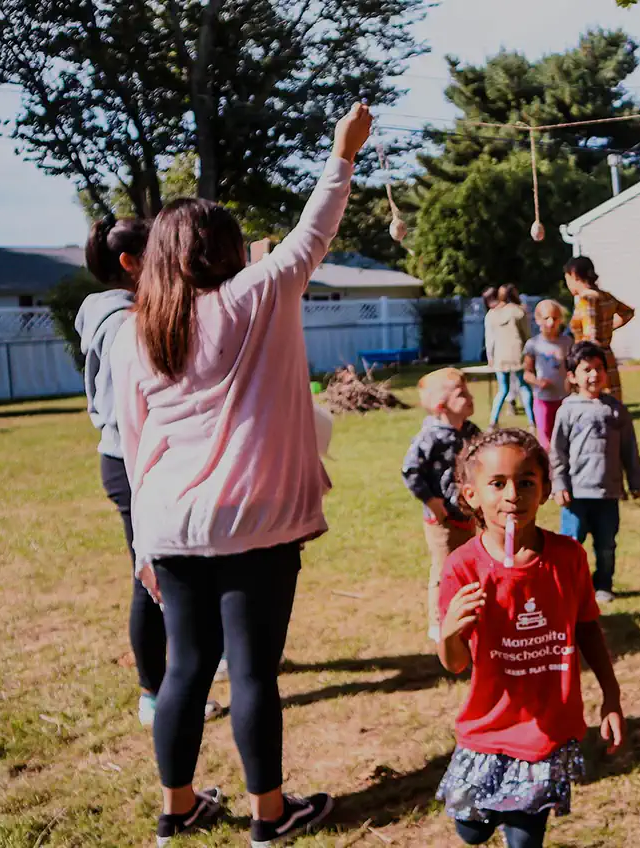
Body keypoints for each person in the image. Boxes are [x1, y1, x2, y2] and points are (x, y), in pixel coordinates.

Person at [111, 103, 374, 845]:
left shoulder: (140, 332)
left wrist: (142, 542)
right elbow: (313, 231)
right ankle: (268, 817)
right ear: (227, 249)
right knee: (253, 669)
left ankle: (178, 807)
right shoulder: (257, 293)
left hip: (168, 518)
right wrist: (342, 152)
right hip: (253, 517)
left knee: (186, 668)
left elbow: (135, 443)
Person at [435, 428, 625, 848]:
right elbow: (455, 662)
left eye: (526, 482)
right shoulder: (462, 567)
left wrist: (611, 694)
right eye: (497, 483)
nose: (512, 495)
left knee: (525, 839)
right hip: (486, 727)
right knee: (470, 832)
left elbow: (588, 626)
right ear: (470, 495)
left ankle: (517, 819)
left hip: (546, 731)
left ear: (545, 490)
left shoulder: (568, 557)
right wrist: (450, 630)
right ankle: (487, 819)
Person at [79, 216, 229, 729]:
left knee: (185, 570)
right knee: (151, 576)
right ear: (131, 263)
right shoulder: (123, 323)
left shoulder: (130, 313)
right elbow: (127, 409)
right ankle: (154, 692)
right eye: (161, 250)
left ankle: (204, 661)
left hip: (141, 457)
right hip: (130, 461)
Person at [551, 341, 640, 603]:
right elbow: (557, 452)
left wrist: (635, 481)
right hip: (576, 495)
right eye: (586, 369)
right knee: (570, 545)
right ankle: (568, 587)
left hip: (608, 493)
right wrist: (559, 484)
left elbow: (629, 449)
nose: (594, 375)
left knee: (606, 545)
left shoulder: (615, 410)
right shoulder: (567, 411)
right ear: (572, 377)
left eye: (599, 368)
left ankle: (603, 584)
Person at [403, 368, 482, 641]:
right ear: (441, 405)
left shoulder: (472, 432)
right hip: (442, 520)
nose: (470, 398)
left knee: (470, 562)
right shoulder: (431, 437)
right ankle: (439, 621)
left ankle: (471, 611)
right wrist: (431, 500)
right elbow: (410, 471)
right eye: (462, 394)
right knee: (444, 567)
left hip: (469, 513)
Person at [565, 257, 634, 401]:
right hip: (607, 357)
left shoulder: (587, 299)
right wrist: (607, 328)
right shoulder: (605, 296)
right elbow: (627, 313)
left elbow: (591, 337)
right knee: (612, 402)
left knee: (596, 405)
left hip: (591, 361)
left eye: (567, 279)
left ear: (574, 275)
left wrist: (587, 367)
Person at [524, 300, 572, 452]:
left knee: (566, 437)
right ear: (538, 320)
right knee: (546, 440)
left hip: (565, 398)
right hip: (543, 399)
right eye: (546, 318)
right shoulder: (533, 344)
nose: (551, 322)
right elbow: (527, 373)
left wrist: (572, 381)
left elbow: (573, 368)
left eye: (555, 318)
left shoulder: (567, 342)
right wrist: (538, 382)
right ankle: (549, 471)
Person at [485, 284, 535, 428]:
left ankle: (493, 421)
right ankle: (532, 421)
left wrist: (490, 356)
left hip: (500, 356)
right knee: (524, 387)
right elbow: (527, 334)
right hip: (517, 354)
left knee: (502, 389)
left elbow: (490, 338)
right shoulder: (519, 312)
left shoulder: (492, 314)